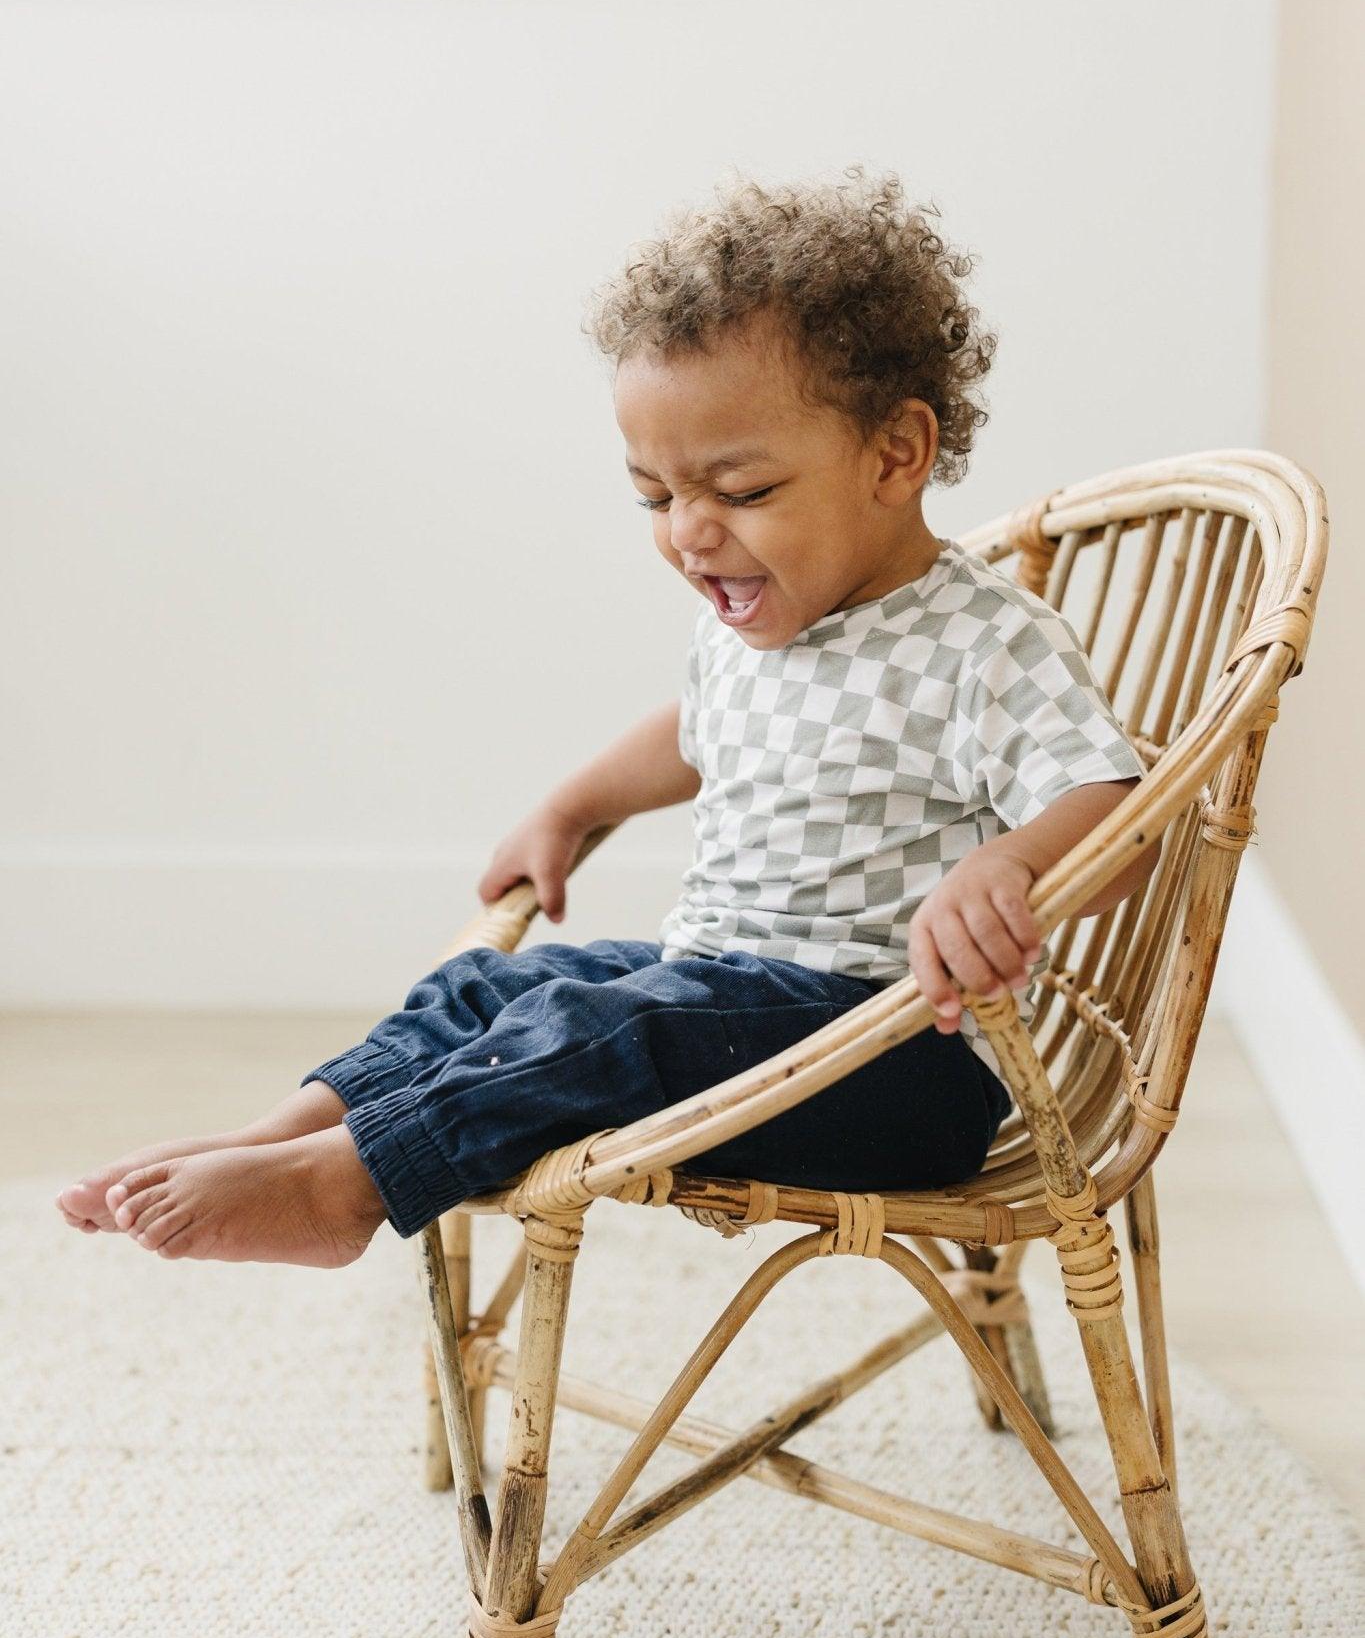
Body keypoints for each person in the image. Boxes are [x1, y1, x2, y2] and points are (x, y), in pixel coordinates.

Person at [55, 170, 1152, 1267]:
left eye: (742, 489)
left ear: (896, 454)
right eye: (657, 497)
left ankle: (344, 1190)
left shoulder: (982, 639)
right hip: (727, 1007)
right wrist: (571, 807)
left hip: (899, 1060)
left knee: (604, 1029)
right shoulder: (759, 634)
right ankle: (289, 1135)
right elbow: (693, 730)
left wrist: (1008, 863)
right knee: (499, 988)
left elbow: (1110, 801)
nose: (690, 533)